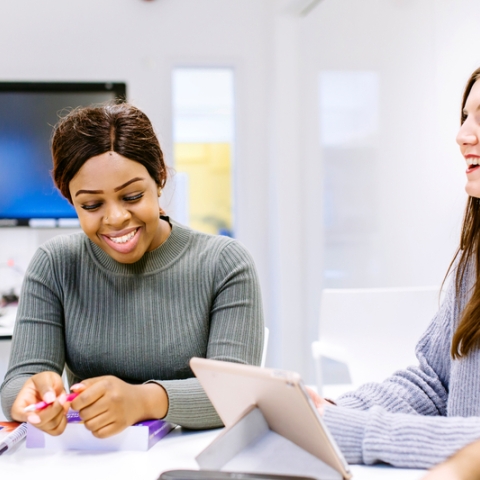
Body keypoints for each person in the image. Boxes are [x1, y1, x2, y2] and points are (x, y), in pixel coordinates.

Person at [0, 102, 264, 438]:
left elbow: (236, 393)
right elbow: (16, 386)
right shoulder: (55, 264)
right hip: (91, 461)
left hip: (192, 460)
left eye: (132, 195)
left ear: (160, 180)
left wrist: (142, 400)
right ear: (71, 201)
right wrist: (31, 395)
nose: (115, 218)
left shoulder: (224, 263)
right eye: (92, 205)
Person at [308, 66, 480, 469]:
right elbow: (435, 383)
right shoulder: (473, 262)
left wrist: (354, 430)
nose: (462, 135)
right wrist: (331, 410)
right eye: (466, 117)